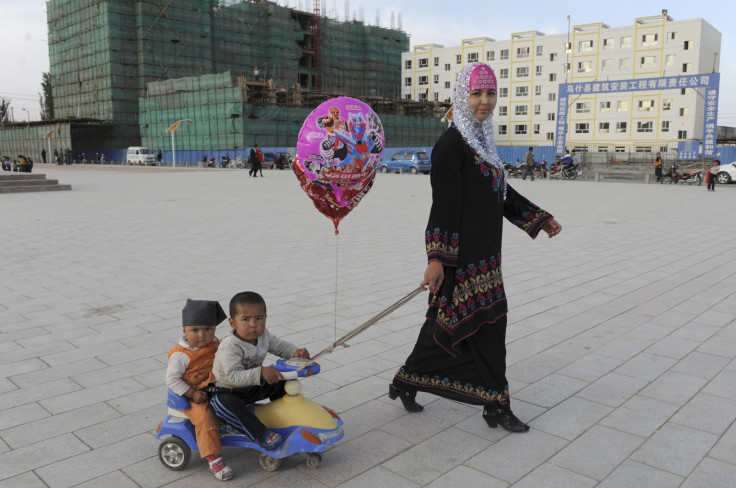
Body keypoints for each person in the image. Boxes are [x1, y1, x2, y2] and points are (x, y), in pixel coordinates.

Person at [389, 62, 562, 433]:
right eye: (476, 93)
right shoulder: (450, 145)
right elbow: (444, 206)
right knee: (486, 328)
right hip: (461, 260)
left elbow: (499, 193)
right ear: (461, 96)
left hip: (487, 258)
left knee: (450, 326)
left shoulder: (482, 140)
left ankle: (406, 381)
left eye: (490, 93)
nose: (484, 102)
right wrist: (435, 259)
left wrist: (537, 218)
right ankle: (496, 407)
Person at [210, 291, 310, 449]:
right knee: (222, 404)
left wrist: (295, 353)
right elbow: (233, 377)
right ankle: (262, 434)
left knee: (280, 382)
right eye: (245, 319)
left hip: (252, 385)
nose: (253, 324)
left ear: (265, 318)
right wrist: (261, 372)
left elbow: (280, 346)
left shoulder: (264, 336)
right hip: (228, 390)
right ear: (232, 323)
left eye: (259, 318)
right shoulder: (230, 346)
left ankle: (288, 416)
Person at [165, 299, 233, 481]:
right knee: (205, 417)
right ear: (184, 330)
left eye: (208, 329)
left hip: (213, 387)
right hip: (190, 395)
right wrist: (192, 393)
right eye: (195, 330)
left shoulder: (215, 343)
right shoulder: (181, 354)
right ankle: (213, 457)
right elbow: (171, 379)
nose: (202, 335)